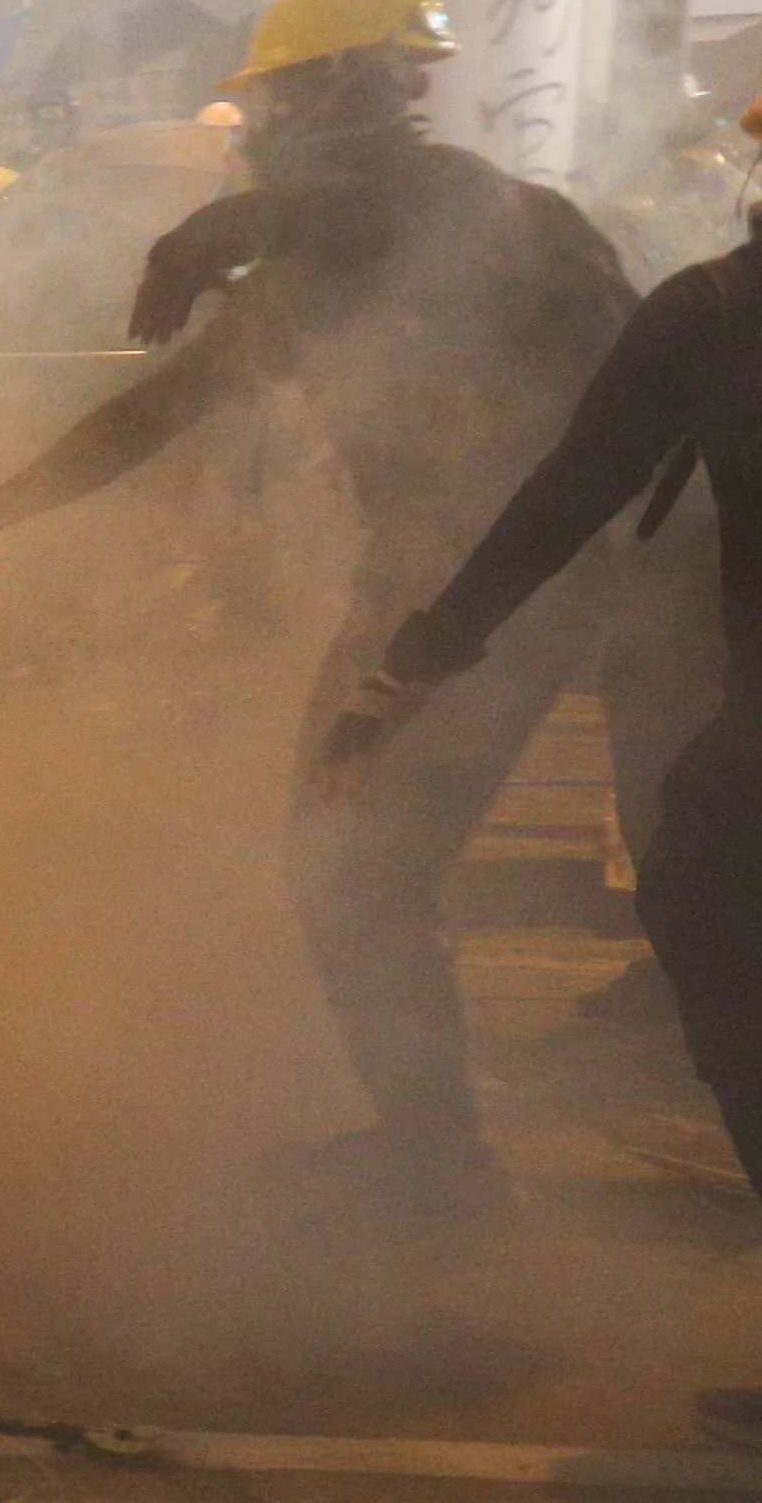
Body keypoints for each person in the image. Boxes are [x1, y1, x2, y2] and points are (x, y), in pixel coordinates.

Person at [0, 0, 636, 1220]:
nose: (264, 134)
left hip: (481, 601)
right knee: (350, 859)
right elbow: (146, 421)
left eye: (278, 102)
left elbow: (414, 212)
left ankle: (439, 1160)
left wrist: (229, 225)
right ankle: (431, 1140)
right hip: (452, 593)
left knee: (354, 864)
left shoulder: (474, 213)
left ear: (338, 87)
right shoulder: (334, 267)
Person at [319, 92, 762, 1435]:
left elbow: (574, 488)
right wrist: (430, 650)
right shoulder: (705, 314)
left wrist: (422, 654)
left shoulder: (713, 312)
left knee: (711, 915)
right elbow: (580, 486)